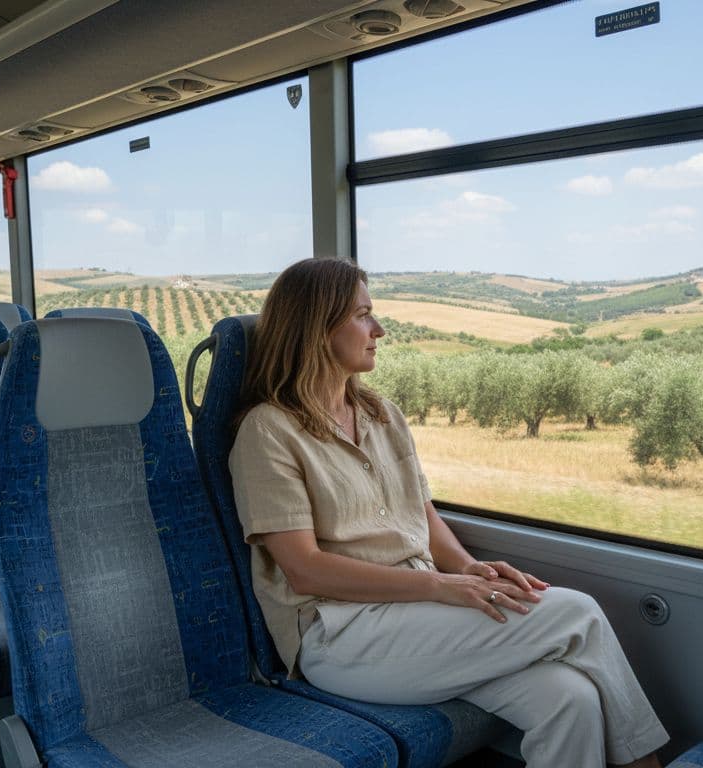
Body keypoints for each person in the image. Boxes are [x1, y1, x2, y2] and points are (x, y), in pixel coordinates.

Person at [230, 258, 668, 768]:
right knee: (577, 612)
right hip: (342, 633)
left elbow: (424, 515)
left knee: (571, 699)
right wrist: (442, 587)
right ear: (315, 327)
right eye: (362, 315)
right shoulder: (268, 431)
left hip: (417, 612)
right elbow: (304, 569)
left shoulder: (381, 414)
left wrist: (465, 567)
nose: (379, 330)